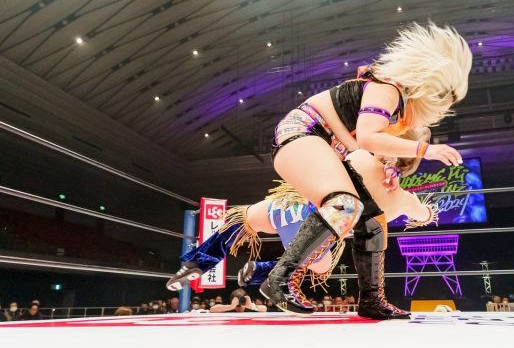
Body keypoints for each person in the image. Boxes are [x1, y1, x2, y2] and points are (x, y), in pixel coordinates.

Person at [261, 21, 471, 317]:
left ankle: (372, 300)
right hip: (302, 133)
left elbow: (371, 146)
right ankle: (280, 279)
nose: (436, 116)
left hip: (328, 148)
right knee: (345, 205)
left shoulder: (394, 105)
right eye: (439, 108)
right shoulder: (388, 91)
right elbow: (368, 138)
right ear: (427, 93)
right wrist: (427, 150)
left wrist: (390, 167)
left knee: (372, 221)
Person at [167, 132, 436, 320]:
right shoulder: (402, 199)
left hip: (290, 202)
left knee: (244, 219)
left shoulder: (360, 155)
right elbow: (424, 215)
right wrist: (422, 208)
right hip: (314, 226)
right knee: (322, 264)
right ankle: (264, 271)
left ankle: (197, 262)